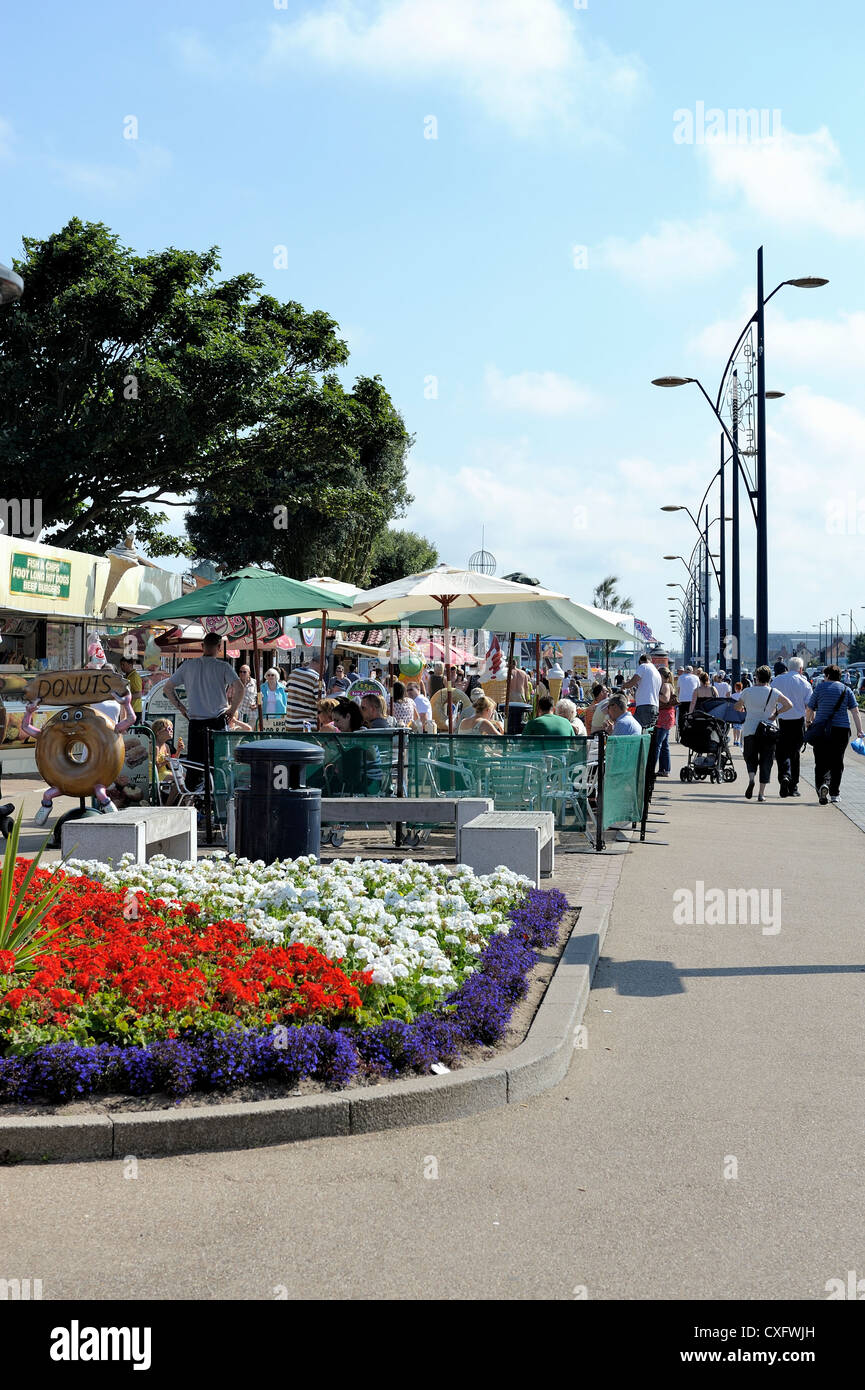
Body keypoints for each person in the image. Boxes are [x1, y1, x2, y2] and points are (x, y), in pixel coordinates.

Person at [163, 633, 244, 787]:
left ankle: (194, 803)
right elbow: (240, 688)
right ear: (219, 647)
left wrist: (181, 708)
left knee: (195, 767)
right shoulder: (223, 666)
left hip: (196, 723)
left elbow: (168, 688)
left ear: (202, 646)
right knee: (219, 765)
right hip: (217, 721)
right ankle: (217, 801)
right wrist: (232, 710)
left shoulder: (188, 666)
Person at [805, 664, 864, 804]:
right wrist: (860, 731)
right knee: (837, 761)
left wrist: (808, 722)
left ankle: (821, 787)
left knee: (820, 761)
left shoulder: (819, 688)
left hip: (821, 730)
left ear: (826, 676)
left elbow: (810, 708)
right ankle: (834, 793)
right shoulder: (846, 689)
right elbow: (855, 711)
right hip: (841, 730)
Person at [735, 665, 793, 802]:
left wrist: (743, 707)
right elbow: (789, 704)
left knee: (750, 757)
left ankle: (751, 779)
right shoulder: (773, 692)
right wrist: (776, 714)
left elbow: (737, 707)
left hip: (750, 729)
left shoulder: (747, 692)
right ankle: (761, 794)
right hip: (769, 731)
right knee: (766, 761)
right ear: (769, 678)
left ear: (756, 677)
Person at [771, 655, 812, 797]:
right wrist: (808, 721)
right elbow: (809, 706)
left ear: (788, 667)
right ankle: (793, 786)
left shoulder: (777, 680)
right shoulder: (805, 683)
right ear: (801, 669)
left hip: (782, 722)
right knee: (794, 754)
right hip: (798, 722)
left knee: (781, 753)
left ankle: (784, 776)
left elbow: (771, 700)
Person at [285, 656, 325, 731]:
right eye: (324, 667)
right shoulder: (317, 679)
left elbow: (287, 690)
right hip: (308, 726)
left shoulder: (293, 673)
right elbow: (322, 704)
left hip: (290, 724)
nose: (323, 671)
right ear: (318, 664)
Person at [625, 654, 662, 729]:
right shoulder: (656, 672)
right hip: (654, 706)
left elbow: (631, 683)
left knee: (636, 730)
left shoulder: (643, 666)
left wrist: (624, 685)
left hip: (644, 706)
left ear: (641, 661)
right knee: (649, 733)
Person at [655, 668, 676, 776]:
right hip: (666, 716)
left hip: (664, 717)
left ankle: (654, 767)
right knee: (664, 744)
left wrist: (654, 692)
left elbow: (666, 699)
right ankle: (665, 769)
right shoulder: (668, 685)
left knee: (657, 744)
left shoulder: (666, 685)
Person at [118, 655, 143, 722]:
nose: (122, 667)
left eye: (123, 665)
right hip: (128, 710)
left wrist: (124, 698)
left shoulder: (134, 676)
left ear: (130, 664)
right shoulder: (127, 676)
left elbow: (139, 694)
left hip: (135, 710)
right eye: (121, 665)